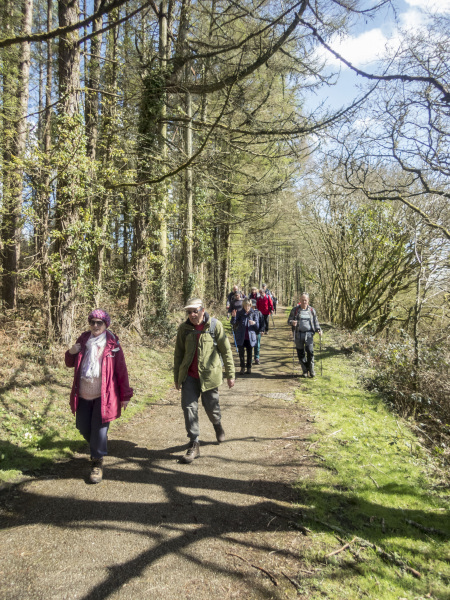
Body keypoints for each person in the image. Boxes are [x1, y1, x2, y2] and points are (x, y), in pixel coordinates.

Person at [65, 309, 133, 483]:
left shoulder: (112, 344)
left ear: (105, 325)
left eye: (99, 323)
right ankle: (97, 445)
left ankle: (97, 462)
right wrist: (71, 352)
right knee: (82, 427)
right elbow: (69, 363)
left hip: (104, 396)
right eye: (92, 322)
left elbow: (121, 371)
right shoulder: (83, 340)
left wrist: (125, 395)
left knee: (99, 429)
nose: (95, 325)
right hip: (82, 394)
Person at [174, 297, 235, 464]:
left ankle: (217, 424)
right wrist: (177, 378)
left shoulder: (215, 326)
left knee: (211, 408)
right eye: (189, 312)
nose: (192, 315)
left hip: (209, 377)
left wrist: (230, 374)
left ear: (202, 310)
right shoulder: (184, 329)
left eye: (195, 311)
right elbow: (178, 354)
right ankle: (194, 442)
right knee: (189, 408)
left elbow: (226, 352)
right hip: (189, 377)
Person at [287, 293, 322, 377]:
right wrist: (292, 322)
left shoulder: (312, 310)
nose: (304, 302)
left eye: (305, 300)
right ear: (300, 300)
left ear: (308, 300)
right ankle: (305, 370)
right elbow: (289, 321)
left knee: (310, 352)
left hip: (309, 334)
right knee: (300, 353)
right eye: (302, 300)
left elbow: (315, 322)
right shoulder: (295, 310)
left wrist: (319, 330)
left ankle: (311, 370)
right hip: (298, 334)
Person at [231, 299, 260, 375]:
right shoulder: (240, 313)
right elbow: (233, 323)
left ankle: (249, 367)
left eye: (248, 305)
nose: (247, 307)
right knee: (241, 353)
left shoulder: (254, 313)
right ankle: (242, 367)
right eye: (245, 305)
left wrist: (254, 323)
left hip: (250, 337)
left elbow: (257, 327)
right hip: (241, 336)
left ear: (250, 305)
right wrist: (234, 317)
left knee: (249, 353)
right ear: (243, 305)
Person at [251, 299, 265, 365]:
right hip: (250, 332)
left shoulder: (259, 313)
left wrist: (262, 330)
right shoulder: (247, 313)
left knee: (257, 345)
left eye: (252, 305)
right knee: (250, 346)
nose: (252, 307)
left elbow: (262, 322)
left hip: (257, 332)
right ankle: (249, 358)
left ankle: (256, 358)